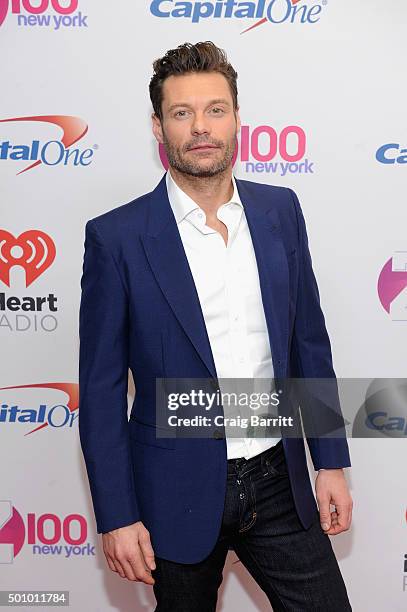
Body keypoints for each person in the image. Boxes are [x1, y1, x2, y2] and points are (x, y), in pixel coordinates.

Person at [78, 41, 353, 611]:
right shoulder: (118, 238)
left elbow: (309, 345)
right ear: (158, 126)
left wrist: (329, 459)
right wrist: (118, 514)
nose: (201, 127)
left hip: (280, 479)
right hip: (170, 491)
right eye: (182, 113)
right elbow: (102, 393)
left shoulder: (281, 211)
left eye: (215, 109)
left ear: (237, 119)